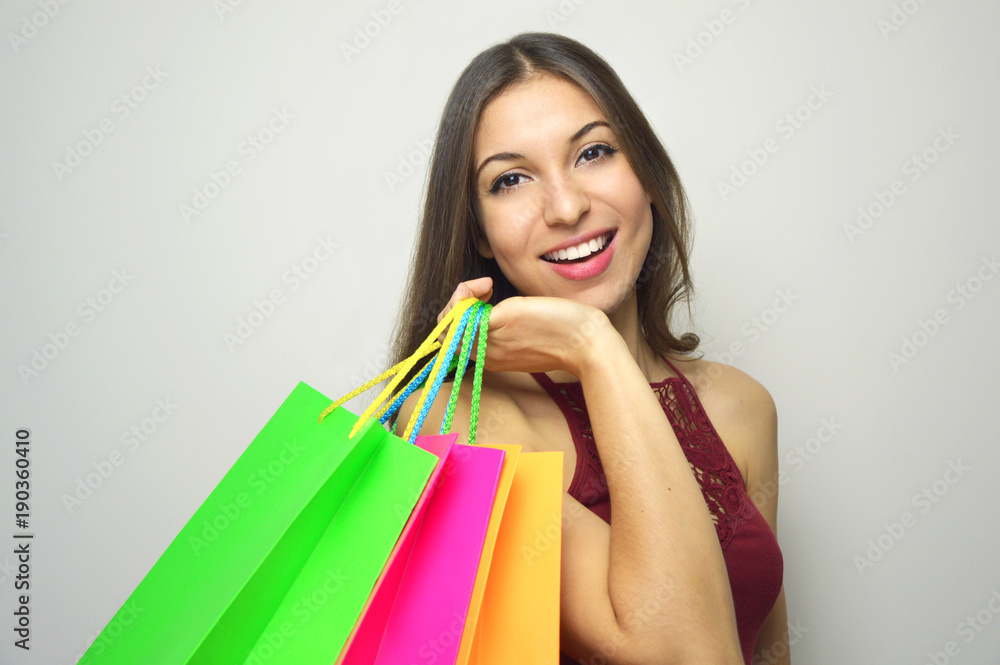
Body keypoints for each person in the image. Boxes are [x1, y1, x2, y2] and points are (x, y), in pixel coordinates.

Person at [389, 32, 788, 665]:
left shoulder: (742, 408)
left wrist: (595, 349)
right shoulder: (458, 424)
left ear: (648, 177)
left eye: (594, 152)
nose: (567, 206)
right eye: (511, 179)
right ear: (481, 234)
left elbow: (768, 649)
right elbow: (681, 651)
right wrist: (591, 346)